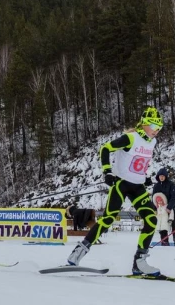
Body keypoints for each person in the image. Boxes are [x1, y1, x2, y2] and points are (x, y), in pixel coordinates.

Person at [67, 106, 162, 275]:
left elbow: (139, 162)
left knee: (151, 220)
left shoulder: (152, 142)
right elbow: (105, 149)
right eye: (154, 126)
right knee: (108, 220)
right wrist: (107, 171)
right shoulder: (130, 138)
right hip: (122, 184)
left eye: (159, 128)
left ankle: (139, 262)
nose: (157, 131)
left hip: (138, 187)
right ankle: (78, 253)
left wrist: (144, 176)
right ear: (145, 124)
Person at [151, 168, 175, 246]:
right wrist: (154, 209)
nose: (161, 177)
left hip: (172, 208)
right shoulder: (156, 186)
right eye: (160, 176)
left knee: (174, 224)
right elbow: (154, 198)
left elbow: (174, 197)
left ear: (166, 176)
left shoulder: (171, 185)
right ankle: (164, 241)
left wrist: (169, 207)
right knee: (162, 224)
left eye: (163, 176)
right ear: (158, 176)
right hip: (160, 208)